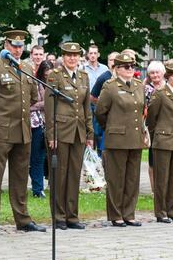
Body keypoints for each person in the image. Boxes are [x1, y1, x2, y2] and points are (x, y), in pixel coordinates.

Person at [0, 29, 45, 235]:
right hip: (1, 129)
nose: (17, 49)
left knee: (20, 176)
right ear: (6, 45)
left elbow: (33, 96)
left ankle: (22, 218)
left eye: (20, 46)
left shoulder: (26, 67)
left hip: (23, 130)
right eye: (14, 45)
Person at [44, 43, 93, 230]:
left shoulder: (83, 76)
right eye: (68, 55)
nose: (72, 58)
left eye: (75, 55)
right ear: (63, 57)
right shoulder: (55, 76)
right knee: (59, 175)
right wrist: (51, 133)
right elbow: (49, 107)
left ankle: (72, 216)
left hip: (78, 131)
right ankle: (59, 216)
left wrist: (90, 133)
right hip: (61, 130)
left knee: (74, 174)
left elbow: (86, 106)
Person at [95, 52, 146, 227]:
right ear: (116, 69)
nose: (130, 69)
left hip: (135, 138)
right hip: (116, 138)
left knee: (132, 179)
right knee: (116, 179)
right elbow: (100, 112)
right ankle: (116, 215)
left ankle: (129, 213)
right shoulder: (110, 86)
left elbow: (141, 110)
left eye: (132, 66)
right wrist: (111, 128)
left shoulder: (139, 86)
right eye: (126, 67)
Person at [146, 61, 173, 223]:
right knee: (162, 178)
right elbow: (151, 118)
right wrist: (157, 134)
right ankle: (160, 211)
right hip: (163, 140)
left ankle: (171, 209)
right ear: (168, 77)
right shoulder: (160, 93)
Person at [30, 60, 54, 198]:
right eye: (45, 75)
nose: (48, 78)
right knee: (37, 157)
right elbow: (31, 104)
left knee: (51, 158)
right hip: (38, 123)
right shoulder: (36, 83)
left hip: (52, 123)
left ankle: (53, 185)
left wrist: (41, 104)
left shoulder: (56, 84)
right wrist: (43, 104)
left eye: (50, 76)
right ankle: (37, 189)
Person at [143, 61, 166, 190]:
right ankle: (153, 189)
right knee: (152, 160)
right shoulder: (146, 89)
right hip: (151, 127)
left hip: (167, 127)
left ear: (163, 73)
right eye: (152, 73)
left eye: (157, 72)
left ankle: (164, 187)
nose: (155, 75)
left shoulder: (168, 87)